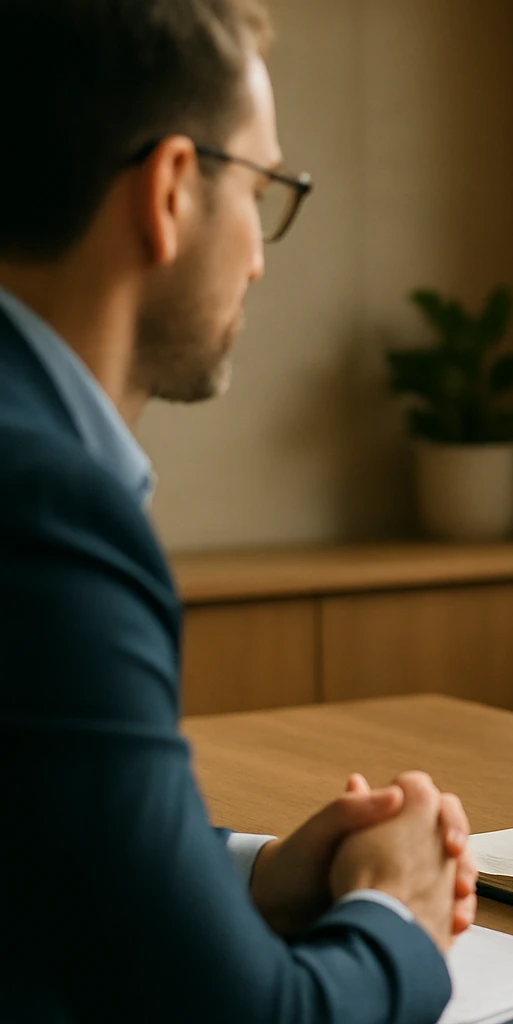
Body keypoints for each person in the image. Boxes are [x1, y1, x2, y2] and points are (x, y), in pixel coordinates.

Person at [0, 1, 476, 1019]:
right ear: (171, 189)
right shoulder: (43, 507)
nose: (259, 255)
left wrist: (253, 877)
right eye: (262, 191)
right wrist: (399, 909)